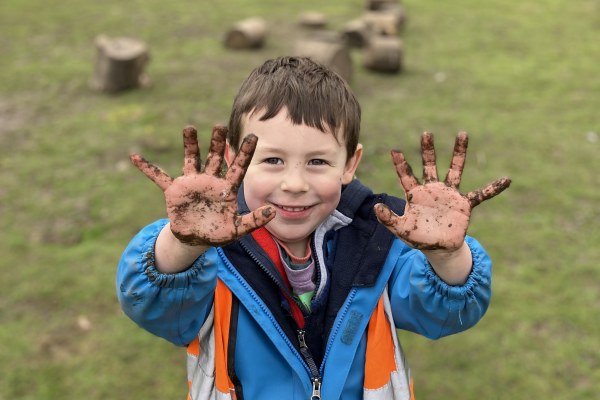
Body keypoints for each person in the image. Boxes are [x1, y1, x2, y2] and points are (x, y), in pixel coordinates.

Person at [117, 56, 510, 400]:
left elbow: (446, 313)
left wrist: (446, 254)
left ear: (349, 165)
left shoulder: (379, 243)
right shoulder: (210, 254)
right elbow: (155, 309)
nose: (294, 183)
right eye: (272, 160)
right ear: (237, 157)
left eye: (317, 162)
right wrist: (183, 244)